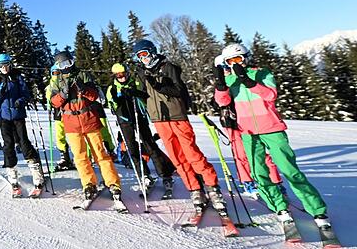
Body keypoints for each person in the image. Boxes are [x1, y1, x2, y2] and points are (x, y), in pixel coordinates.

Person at [213, 44, 332, 228]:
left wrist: (249, 82)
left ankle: (317, 209)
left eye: (238, 59)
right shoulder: (230, 80)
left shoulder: (262, 73)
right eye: (230, 61)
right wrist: (221, 85)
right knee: (259, 173)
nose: (236, 64)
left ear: (246, 58)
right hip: (248, 132)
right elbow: (223, 101)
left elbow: (270, 95)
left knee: (290, 170)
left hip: (272, 129)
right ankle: (279, 207)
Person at [132, 39, 226, 214]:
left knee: (192, 154)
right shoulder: (142, 73)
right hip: (159, 120)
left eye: (144, 54)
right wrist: (135, 92)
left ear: (152, 51)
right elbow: (147, 95)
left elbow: (179, 91)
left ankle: (212, 187)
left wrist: (159, 86)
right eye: (139, 56)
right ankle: (194, 189)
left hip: (177, 116)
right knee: (177, 158)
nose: (143, 59)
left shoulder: (168, 67)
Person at [49, 51, 124, 208]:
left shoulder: (83, 75)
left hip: (89, 120)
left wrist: (84, 90)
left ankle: (113, 183)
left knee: (100, 154)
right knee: (80, 157)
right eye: (63, 65)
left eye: (68, 63)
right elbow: (54, 102)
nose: (66, 67)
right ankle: (89, 184)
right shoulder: (56, 80)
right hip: (71, 124)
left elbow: (95, 96)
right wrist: (63, 94)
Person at [212, 55, 284, 199]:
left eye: (227, 68)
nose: (227, 71)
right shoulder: (225, 82)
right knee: (241, 155)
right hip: (232, 123)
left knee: (263, 156)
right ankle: (248, 182)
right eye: (224, 69)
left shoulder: (239, 78)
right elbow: (218, 102)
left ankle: (275, 182)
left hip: (250, 121)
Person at [106, 63, 176, 196]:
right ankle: (145, 176)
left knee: (150, 145)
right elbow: (112, 105)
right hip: (125, 120)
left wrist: (136, 94)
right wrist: (116, 101)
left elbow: (146, 98)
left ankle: (165, 175)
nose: (122, 77)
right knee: (132, 149)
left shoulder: (136, 83)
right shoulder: (112, 88)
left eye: (123, 74)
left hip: (139, 117)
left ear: (127, 73)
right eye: (118, 75)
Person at [0, 53, 44, 196]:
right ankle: (13, 179)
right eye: (1, 65)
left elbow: (26, 95)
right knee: (8, 146)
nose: (4, 67)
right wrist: (0, 94)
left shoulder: (17, 78)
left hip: (18, 116)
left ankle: (38, 177)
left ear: (10, 64)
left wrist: (21, 101)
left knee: (24, 144)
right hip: (3, 118)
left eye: (6, 64)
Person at [45, 64, 74, 171]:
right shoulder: (50, 85)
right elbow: (49, 98)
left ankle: (79, 156)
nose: (56, 75)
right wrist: (49, 107)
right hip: (57, 112)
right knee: (59, 134)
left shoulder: (64, 82)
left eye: (58, 73)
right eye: (54, 73)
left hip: (69, 111)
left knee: (73, 134)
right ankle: (64, 156)